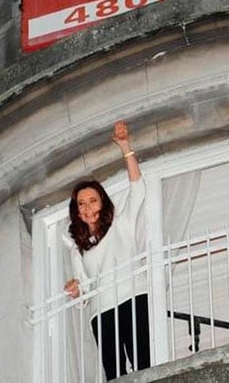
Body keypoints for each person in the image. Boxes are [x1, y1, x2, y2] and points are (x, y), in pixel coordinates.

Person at [64, 120, 151, 380]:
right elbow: (85, 290)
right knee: (113, 373)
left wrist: (125, 147)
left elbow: (138, 189)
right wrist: (76, 289)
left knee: (142, 363)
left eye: (92, 201)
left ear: (102, 203)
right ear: (76, 211)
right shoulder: (78, 249)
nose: (87, 208)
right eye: (82, 204)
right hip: (101, 311)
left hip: (132, 296)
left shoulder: (121, 225)